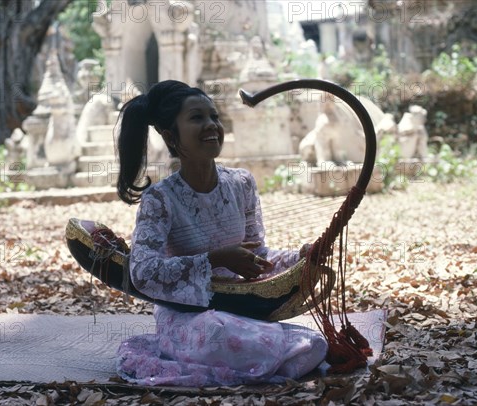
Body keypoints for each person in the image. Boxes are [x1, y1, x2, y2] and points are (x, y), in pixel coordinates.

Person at [115, 80, 327, 386]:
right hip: (188, 318)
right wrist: (214, 259)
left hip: (237, 307)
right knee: (218, 332)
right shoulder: (160, 199)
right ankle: (264, 359)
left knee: (314, 343)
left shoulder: (241, 184)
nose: (211, 125)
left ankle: (266, 355)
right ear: (170, 136)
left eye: (214, 116)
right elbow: (142, 271)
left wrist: (300, 257)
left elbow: (257, 255)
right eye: (197, 118)